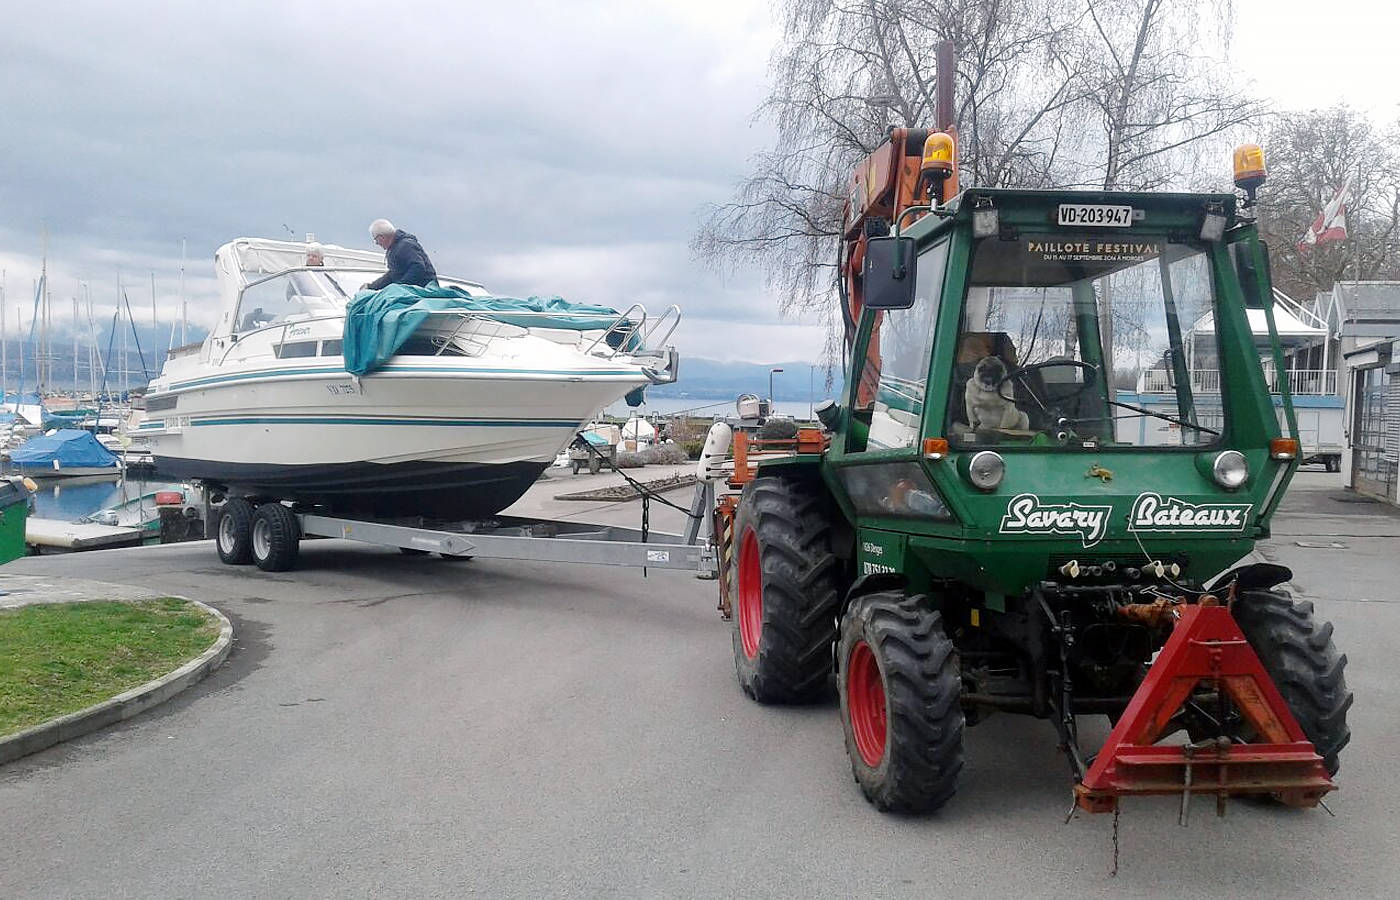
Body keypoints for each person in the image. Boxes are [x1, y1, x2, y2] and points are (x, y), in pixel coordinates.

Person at [363, 218, 437, 290]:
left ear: (381, 237)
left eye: (375, 239)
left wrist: (400, 287)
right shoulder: (395, 248)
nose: (376, 243)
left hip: (423, 291)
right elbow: (392, 275)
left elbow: (418, 267)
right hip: (412, 290)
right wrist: (372, 287)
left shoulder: (406, 245)